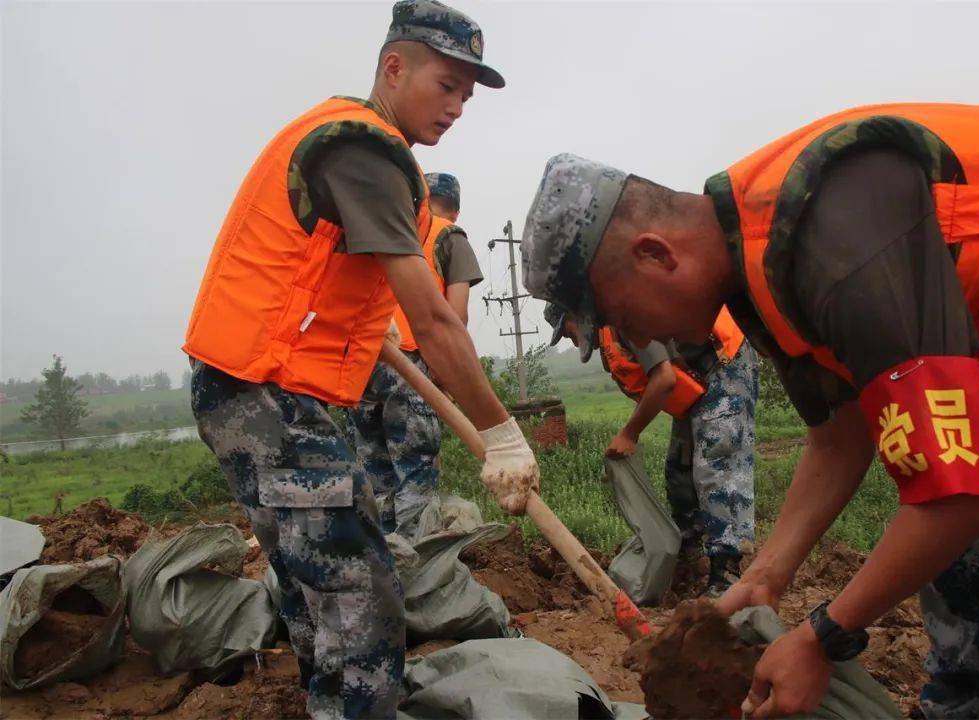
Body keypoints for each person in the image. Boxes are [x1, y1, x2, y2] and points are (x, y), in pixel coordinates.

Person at [519, 104, 979, 718]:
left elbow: (960, 490)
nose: (628, 336)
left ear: (654, 254)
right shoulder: (757, 276)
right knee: (976, 578)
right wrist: (765, 574)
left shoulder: (835, 238)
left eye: (620, 317)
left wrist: (824, 637)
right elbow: (839, 438)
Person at [183, 3, 539, 717]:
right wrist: (500, 431)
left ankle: (331, 703)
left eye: (468, 95)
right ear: (394, 67)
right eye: (447, 84)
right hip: (266, 397)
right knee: (361, 587)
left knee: (316, 576)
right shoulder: (367, 151)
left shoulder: (342, 142)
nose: (458, 107)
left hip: (249, 390)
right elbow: (437, 318)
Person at [545, 303, 758, 594]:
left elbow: (664, 380)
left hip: (724, 366)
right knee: (680, 469)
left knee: (716, 466)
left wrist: (630, 434)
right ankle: (689, 557)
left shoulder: (626, 318)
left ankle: (727, 574)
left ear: (579, 314)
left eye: (566, 330)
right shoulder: (612, 332)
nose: (571, 340)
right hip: (697, 381)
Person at [347, 171, 483, 539]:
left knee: (373, 469)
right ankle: (419, 560)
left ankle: (386, 559)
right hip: (408, 364)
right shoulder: (448, 235)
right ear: (454, 207)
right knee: (415, 467)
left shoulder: (386, 228)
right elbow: (457, 314)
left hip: (362, 363)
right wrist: (445, 373)